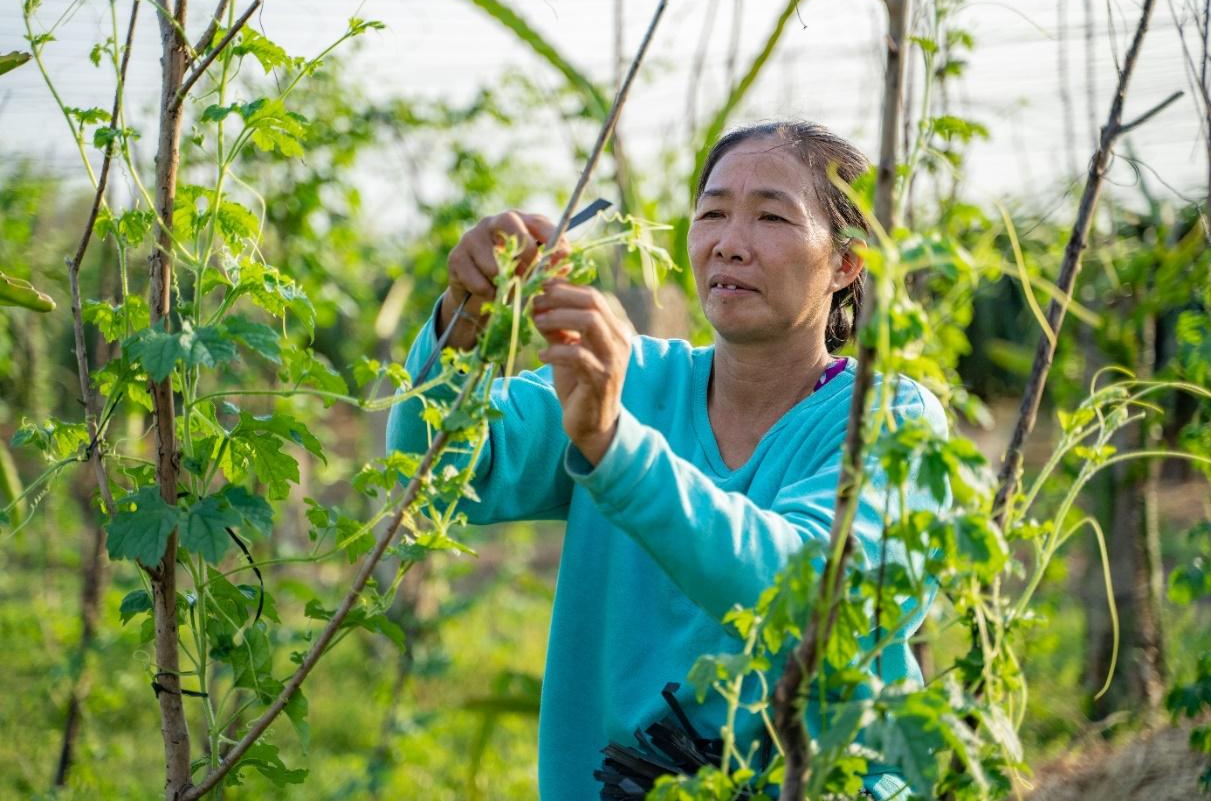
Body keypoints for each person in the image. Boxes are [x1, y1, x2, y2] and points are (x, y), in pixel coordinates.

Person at [386, 121, 947, 800]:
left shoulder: (886, 419)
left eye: (770, 216)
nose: (728, 244)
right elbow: (433, 480)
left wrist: (616, 447)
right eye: (710, 213)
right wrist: (461, 320)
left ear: (846, 262)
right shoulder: (632, 377)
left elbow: (803, 595)